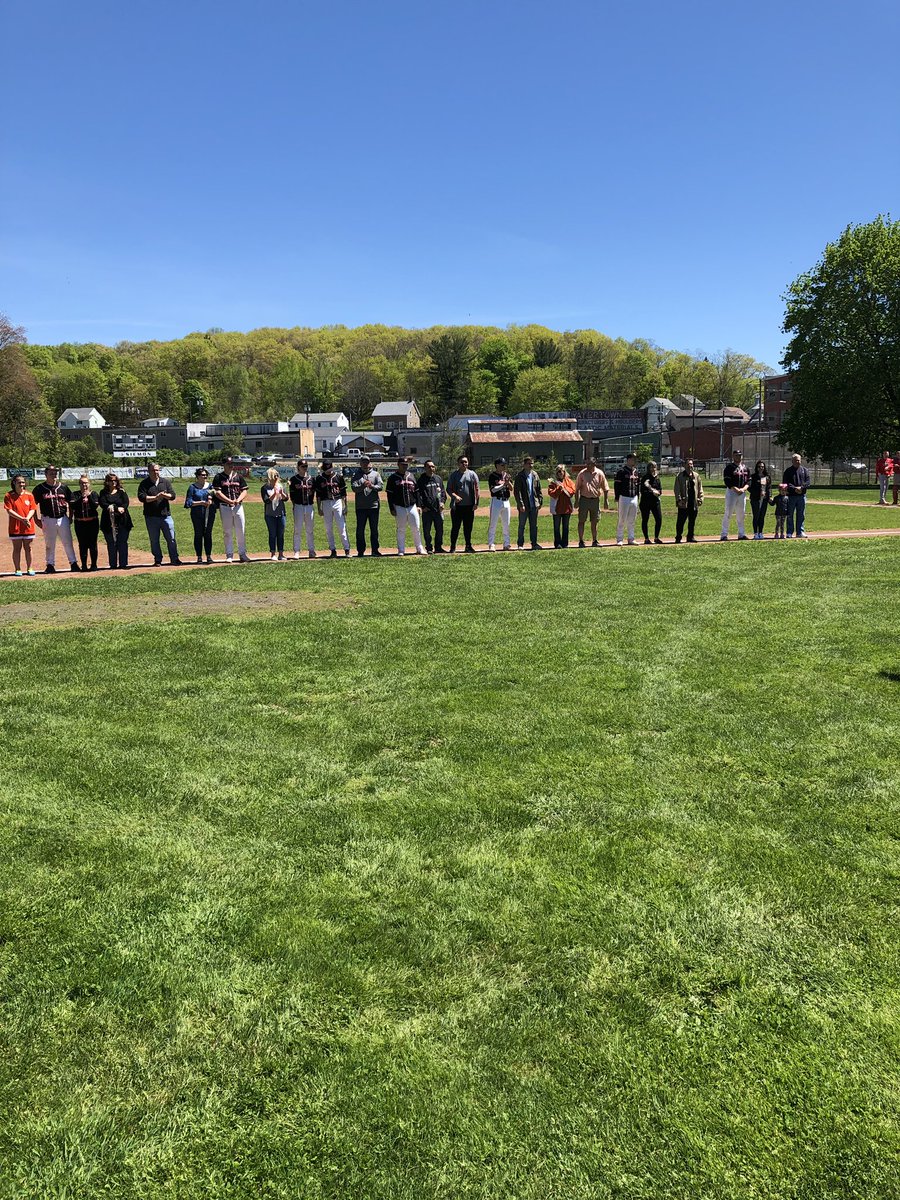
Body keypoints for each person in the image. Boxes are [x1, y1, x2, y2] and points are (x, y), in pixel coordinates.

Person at [33, 465, 78, 573]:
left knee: (68, 542)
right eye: (51, 472)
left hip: (63, 518)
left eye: (55, 472)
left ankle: (73, 563)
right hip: (47, 519)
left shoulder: (63, 487)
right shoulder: (40, 488)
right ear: (46, 474)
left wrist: (70, 516)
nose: (53, 474)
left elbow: (71, 503)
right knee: (49, 544)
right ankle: (50, 564)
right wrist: (36, 519)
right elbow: (33, 504)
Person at [137, 462, 182, 566]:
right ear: (149, 471)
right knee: (154, 540)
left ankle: (174, 558)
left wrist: (165, 495)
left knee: (171, 538)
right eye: (153, 470)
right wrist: (156, 498)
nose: (156, 472)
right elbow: (142, 497)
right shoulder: (144, 483)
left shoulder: (165, 482)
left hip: (166, 515)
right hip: (151, 516)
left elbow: (173, 495)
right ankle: (158, 559)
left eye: (157, 470)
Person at [212, 457, 251, 563]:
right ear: (223, 465)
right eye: (228, 463)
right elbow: (217, 493)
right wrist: (229, 501)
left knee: (241, 531)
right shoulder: (219, 477)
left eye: (232, 463)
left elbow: (244, 491)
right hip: (225, 507)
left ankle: (242, 554)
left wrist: (238, 499)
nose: (231, 465)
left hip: (238, 506)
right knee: (227, 531)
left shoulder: (238, 476)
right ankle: (229, 554)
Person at [386, 457, 426, 555]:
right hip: (399, 506)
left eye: (406, 464)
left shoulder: (411, 476)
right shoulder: (393, 478)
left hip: (412, 506)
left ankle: (419, 548)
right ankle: (401, 549)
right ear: (398, 465)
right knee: (401, 528)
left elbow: (417, 492)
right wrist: (392, 508)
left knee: (416, 527)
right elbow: (389, 495)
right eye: (403, 464)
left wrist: (419, 505)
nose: (405, 466)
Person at [4, 473, 40, 576]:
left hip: (28, 526)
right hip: (15, 526)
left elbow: (33, 509)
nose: (21, 484)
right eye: (19, 482)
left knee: (28, 548)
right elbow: (9, 510)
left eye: (23, 482)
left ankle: (29, 568)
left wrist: (27, 519)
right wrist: (22, 519)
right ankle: (17, 569)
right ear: (14, 483)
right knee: (17, 548)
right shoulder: (9, 495)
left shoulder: (29, 495)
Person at [314, 460, 350, 557]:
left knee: (341, 526)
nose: (329, 471)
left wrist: (345, 506)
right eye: (327, 469)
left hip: (337, 501)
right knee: (328, 528)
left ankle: (347, 549)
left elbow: (343, 493)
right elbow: (318, 496)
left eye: (330, 468)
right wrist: (319, 508)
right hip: (325, 502)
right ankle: (333, 550)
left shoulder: (338, 477)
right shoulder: (319, 478)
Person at [98, 471, 133, 569]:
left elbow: (126, 503)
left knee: (122, 542)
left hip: (123, 521)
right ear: (107, 482)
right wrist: (114, 507)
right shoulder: (103, 492)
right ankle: (113, 564)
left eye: (115, 481)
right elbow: (103, 503)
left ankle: (123, 563)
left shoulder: (122, 491)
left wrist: (120, 508)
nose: (113, 482)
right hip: (108, 521)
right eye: (111, 481)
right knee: (111, 543)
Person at [351, 454, 383, 557]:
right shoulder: (356, 475)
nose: (365, 464)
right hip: (360, 507)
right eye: (363, 462)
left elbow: (381, 486)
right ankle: (360, 551)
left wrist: (372, 486)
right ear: (360, 464)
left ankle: (375, 550)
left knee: (374, 529)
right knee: (360, 530)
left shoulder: (376, 474)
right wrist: (362, 486)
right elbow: (354, 488)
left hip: (373, 506)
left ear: (370, 463)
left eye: (367, 462)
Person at [573, 457, 610, 547]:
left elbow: (605, 488)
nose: (587, 466)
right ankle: (581, 541)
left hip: (595, 500)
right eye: (587, 464)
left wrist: (606, 500)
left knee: (595, 521)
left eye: (590, 464)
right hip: (584, 499)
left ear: (594, 464)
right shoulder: (582, 473)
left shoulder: (599, 473)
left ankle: (595, 540)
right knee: (581, 520)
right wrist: (576, 501)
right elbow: (577, 488)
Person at [447, 455, 480, 553]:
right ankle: (453, 547)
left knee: (468, 528)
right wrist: (455, 497)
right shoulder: (454, 475)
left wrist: (476, 503)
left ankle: (468, 546)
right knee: (455, 527)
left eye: (465, 462)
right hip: (457, 507)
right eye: (462, 462)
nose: (464, 463)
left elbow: (477, 489)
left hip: (469, 506)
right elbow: (449, 489)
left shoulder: (472, 474)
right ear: (458, 463)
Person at [184, 467, 216, 563]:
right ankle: (199, 556)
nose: (204, 476)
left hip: (209, 514)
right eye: (202, 475)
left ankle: (209, 556)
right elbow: (188, 503)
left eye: (206, 475)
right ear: (197, 476)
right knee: (198, 534)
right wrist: (201, 502)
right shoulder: (192, 487)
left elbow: (215, 497)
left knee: (208, 534)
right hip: (197, 515)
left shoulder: (210, 486)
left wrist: (211, 500)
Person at [70, 473, 101, 571]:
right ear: (79, 484)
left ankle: (94, 565)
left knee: (93, 544)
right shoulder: (75, 494)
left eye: (86, 483)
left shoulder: (94, 494)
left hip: (92, 522)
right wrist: (82, 498)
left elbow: (95, 506)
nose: (84, 485)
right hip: (80, 523)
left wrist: (89, 496)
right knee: (82, 544)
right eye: (82, 483)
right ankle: (84, 565)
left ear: (89, 484)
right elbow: (73, 506)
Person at [415, 460, 447, 553]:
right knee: (427, 530)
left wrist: (442, 502)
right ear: (425, 468)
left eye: (432, 466)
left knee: (440, 530)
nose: (431, 468)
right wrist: (422, 506)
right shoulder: (421, 480)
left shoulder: (438, 478)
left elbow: (443, 493)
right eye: (429, 467)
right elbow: (418, 495)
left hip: (438, 510)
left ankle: (438, 547)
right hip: (427, 510)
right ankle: (429, 548)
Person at [288, 459, 317, 559]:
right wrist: (294, 506)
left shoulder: (312, 479)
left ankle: (311, 550)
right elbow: (291, 495)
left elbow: (314, 492)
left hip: (309, 506)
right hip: (298, 506)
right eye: (303, 466)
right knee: (297, 529)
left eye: (306, 466)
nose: (305, 468)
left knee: (310, 529)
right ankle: (296, 551)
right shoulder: (294, 479)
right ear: (298, 467)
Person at [514, 456, 544, 550]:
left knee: (534, 526)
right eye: (528, 463)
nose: (530, 465)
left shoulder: (535, 475)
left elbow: (539, 489)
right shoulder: (520, 476)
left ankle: (534, 543)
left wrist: (540, 501)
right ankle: (520, 544)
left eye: (532, 463)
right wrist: (520, 504)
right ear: (524, 464)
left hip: (534, 505)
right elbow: (517, 492)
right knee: (522, 526)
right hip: (524, 505)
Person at [721, 450, 750, 541]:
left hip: (742, 492)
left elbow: (749, 481)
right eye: (736, 455)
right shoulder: (729, 467)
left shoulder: (745, 468)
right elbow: (727, 481)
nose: (738, 457)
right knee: (728, 513)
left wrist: (743, 489)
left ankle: (741, 534)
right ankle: (724, 534)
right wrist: (736, 489)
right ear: (733, 456)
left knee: (741, 514)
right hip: (732, 492)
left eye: (740, 455)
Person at [486, 457, 513, 551]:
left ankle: (506, 544)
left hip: (506, 501)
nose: (504, 466)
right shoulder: (492, 476)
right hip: (496, 501)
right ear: (497, 465)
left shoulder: (507, 475)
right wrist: (503, 484)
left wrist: (508, 483)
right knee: (493, 523)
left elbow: (511, 488)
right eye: (502, 464)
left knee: (507, 524)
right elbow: (493, 490)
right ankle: (491, 544)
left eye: (505, 464)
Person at [673, 459, 704, 543]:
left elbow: (700, 487)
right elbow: (677, 489)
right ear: (684, 465)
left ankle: (690, 536)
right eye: (688, 464)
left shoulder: (696, 476)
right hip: (684, 503)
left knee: (692, 521)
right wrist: (679, 499)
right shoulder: (680, 476)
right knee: (681, 521)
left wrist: (700, 498)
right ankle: (678, 537)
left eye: (691, 464)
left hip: (693, 502)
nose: (690, 466)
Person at [261, 468, 288, 561]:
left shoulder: (281, 486)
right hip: (270, 514)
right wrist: (274, 494)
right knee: (272, 534)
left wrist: (282, 493)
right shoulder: (265, 488)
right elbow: (266, 501)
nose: (277, 477)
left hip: (281, 513)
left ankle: (281, 554)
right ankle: (273, 553)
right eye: (275, 475)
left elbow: (286, 499)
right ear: (270, 477)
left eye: (277, 475)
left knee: (280, 534)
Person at [783, 452, 811, 538]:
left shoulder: (804, 470)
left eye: (798, 460)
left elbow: (808, 482)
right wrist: (795, 488)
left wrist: (801, 488)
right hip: (791, 496)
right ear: (792, 461)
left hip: (802, 496)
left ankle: (800, 532)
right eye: (795, 460)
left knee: (801, 514)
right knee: (790, 514)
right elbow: (786, 483)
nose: (797, 462)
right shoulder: (788, 471)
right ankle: (789, 532)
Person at [614, 453, 640, 546]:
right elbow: (617, 485)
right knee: (622, 518)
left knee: (632, 519)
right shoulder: (621, 471)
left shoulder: (636, 471)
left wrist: (638, 497)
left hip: (634, 497)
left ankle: (631, 538)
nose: (635, 461)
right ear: (628, 460)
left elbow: (638, 486)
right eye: (633, 459)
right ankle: (619, 539)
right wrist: (617, 497)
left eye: (635, 459)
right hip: (624, 497)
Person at [548, 465, 576, 548]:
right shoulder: (553, 482)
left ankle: (565, 543)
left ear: (564, 472)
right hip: (557, 508)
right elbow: (552, 493)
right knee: (556, 527)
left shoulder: (569, 481)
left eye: (562, 471)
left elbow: (572, 491)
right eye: (558, 471)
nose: (560, 473)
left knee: (566, 527)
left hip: (567, 508)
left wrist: (564, 488)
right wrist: (558, 489)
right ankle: (557, 544)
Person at [639, 461, 663, 544]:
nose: (653, 468)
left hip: (655, 502)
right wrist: (652, 492)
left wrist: (658, 492)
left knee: (659, 519)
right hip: (645, 502)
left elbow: (660, 490)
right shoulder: (645, 478)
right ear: (648, 468)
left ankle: (656, 537)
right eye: (652, 467)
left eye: (655, 467)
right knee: (645, 520)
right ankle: (646, 538)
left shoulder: (657, 478)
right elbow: (643, 491)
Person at [749, 459, 772, 540]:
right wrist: (758, 493)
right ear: (756, 467)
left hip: (764, 500)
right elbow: (750, 488)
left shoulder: (767, 477)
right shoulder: (753, 477)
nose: (761, 468)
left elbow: (769, 488)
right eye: (759, 467)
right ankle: (755, 533)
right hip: (755, 499)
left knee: (762, 516)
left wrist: (769, 496)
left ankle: (760, 533)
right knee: (756, 516)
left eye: (762, 467)